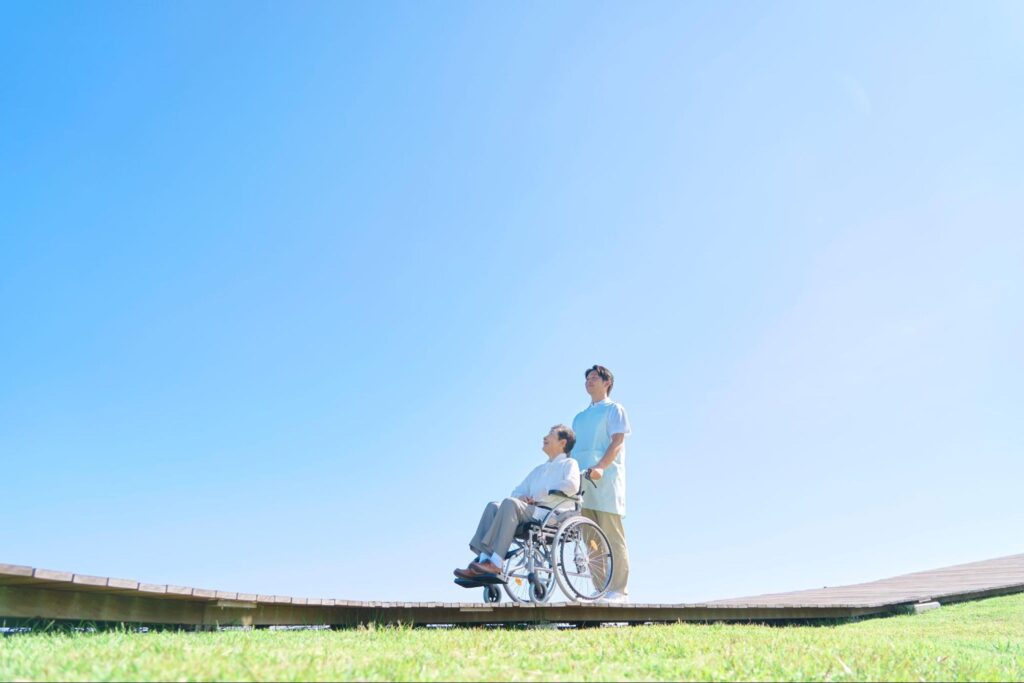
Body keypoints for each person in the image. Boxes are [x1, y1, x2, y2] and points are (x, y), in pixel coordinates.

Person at [454, 425, 580, 583]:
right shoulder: (539, 470)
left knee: (510, 504)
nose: (545, 437)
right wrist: (523, 497)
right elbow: (516, 492)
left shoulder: (569, 464)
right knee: (494, 506)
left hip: (552, 514)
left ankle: (496, 562)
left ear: (562, 443)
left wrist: (545, 492)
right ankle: (482, 561)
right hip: (531, 511)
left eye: (550, 434)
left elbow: (572, 486)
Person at [571, 364, 632, 602]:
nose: (589, 381)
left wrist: (600, 467)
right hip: (581, 483)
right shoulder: (579, 417)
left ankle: (619, 590)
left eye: (595, 377)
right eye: (587, 378)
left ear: (607, 383)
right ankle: (601, 590)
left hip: (605, 480)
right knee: (591, 540)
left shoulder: (614, 409)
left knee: (612, 536)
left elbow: (617, 441)